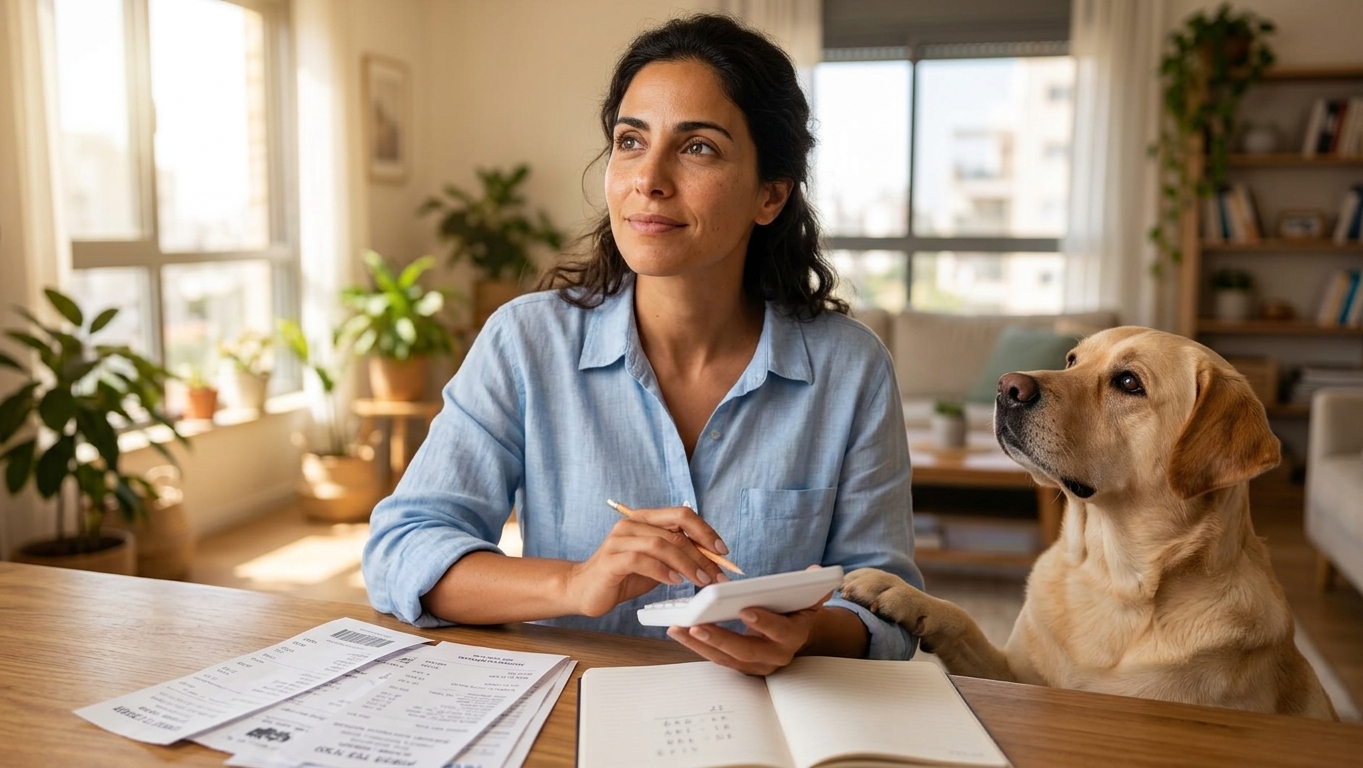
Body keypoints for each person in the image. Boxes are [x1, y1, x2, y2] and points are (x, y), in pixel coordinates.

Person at [362, 13, 922, 675]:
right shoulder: (525, 341)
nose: (647, 179)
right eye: (631, 141)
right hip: (576, 709)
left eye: (698, 148)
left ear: (769, 194)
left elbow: (885, 605)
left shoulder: (848, 368)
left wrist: (807, 633)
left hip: (774, 718)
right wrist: (573, 584)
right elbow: (402, 550)